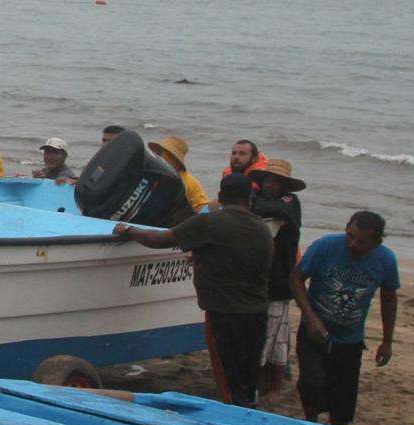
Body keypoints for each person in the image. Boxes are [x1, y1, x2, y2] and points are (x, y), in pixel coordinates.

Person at [115, 173, 273, 405]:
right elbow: (240, 257)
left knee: (227, 375)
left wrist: (129, 231)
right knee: (247, 374)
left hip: (224, 312)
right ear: (249, 198)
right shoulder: (261, 228)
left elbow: (160, 239)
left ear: (220, 196)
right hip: (257, 312)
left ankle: (234, 413)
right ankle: (249, 406)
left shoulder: (208, 223)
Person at [291, 211, 398, 425]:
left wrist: (387, 341)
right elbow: (296, 279)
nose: (352, 244)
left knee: (343, 402)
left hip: (350, 339)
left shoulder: (385, 260)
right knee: (311, 384)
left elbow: (389, 299)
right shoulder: (325, 246)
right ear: (347, 227)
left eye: (361, 241)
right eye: (350, 236)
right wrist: (311, 318)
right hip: (314, 333)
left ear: (377, 242)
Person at [251, 159, 306, 395]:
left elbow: (275, 210)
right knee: (275, 335)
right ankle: (269, 385)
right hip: (263, 278)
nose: (270, 185)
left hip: (280, 277)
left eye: (276, 181)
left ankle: (265, 385)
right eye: (267, 180)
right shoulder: (257, 199)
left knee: (271, 335)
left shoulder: (289, 202)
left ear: (284, 185)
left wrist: (252, 205)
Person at [148, 134, 210, 212]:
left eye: (168, 156)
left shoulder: (189, 181)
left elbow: (202, 206)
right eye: (161, 154)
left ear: (176, 161)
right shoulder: (152, 172)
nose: (163, 157)